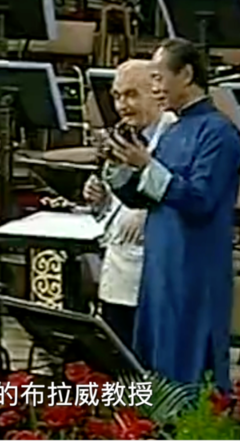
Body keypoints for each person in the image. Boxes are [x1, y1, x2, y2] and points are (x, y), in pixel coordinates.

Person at [108, 38, 240, 391]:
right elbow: (146, 199)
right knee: (153, 364)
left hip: (195, 269)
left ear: (185, 74)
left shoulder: (218, 133)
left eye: (158, 77)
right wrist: (119, 168)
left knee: (190, 368)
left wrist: (147, 166)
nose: (154, 88)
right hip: (160, 266)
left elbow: (199, 200)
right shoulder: (174, 130)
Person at [82, 59, 176, 348]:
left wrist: (148, 215)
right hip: (119, 271)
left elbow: (185, 195)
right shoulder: (123, 135)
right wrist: (101, 201)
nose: (122, 105)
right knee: (118, 358)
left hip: (158, 275)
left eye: (132, 95)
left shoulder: (176, 136)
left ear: (158, 94)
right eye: (117, 96)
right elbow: (117, 210)